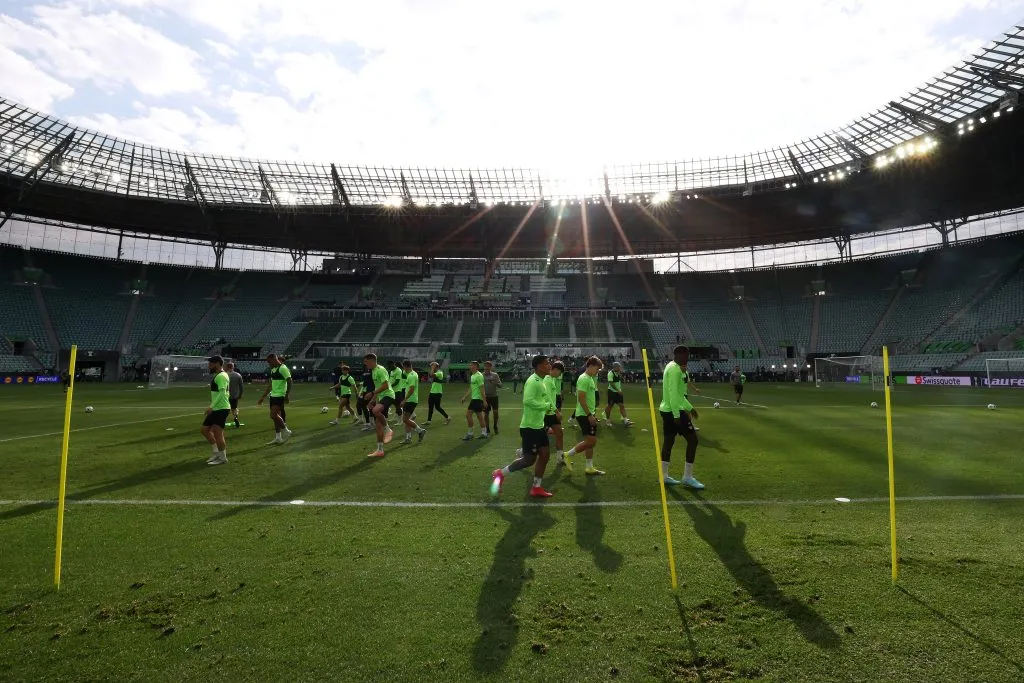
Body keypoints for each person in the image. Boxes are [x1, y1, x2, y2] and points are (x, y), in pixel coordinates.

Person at [491, 354, 555, 498]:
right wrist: (545, 406)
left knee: (545, 454)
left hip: (538, 426)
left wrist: (550, 407)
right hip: (530, 427)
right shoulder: (534, 381)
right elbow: (527, 401)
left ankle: (536, 487)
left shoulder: (542, 380)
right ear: (539, 366)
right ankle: (500, 474)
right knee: (528, 460)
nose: (549, 365)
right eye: (546, 363)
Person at [660, 345, 703, 489]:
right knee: (693, 440)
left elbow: (679, 395)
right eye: (685, 355)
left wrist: (690, 408)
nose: (687, 358)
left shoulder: (671, 367)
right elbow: (673, 394)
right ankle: (687, 477)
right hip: (674, 411)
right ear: (677, 355)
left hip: (668, 409)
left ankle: (664, 476)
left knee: (669, 441)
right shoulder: (675, 369)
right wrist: (677, 415)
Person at [562, 356, 605, 475]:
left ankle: (589, 467)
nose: (598, 371)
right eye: (597, 368)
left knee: (590, 441)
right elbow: (581, 398)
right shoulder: (584, 378)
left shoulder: (590, 378)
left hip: (587, 413)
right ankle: (567, 455)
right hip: (583, 414)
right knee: (591, 441)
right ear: (590, 366)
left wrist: (592, 414)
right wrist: (589, 415)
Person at [363, 353, 395, 457]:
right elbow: (378, 387)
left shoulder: (380, 370)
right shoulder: (373, 371)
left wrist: (372, 394)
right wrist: (373, 400)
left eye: (366, 362)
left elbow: (385, 386)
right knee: (378, 425)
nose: (365, 364)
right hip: (381, 397)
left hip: (388, 395)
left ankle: (389, 430)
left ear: (372, 360)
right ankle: (380, 450)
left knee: (375, 411)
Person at [256, 353, 292, 445]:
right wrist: (262, 397)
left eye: (269, 362)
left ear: (274, 360)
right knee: (275, 418)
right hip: (273, 396)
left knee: (273, 415)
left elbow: (290, 381)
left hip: (280, 395)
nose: (269, 364)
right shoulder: (273, 370)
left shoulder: (283, 368)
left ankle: (286, 431)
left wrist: (287, 395)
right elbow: (271, 385)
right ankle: (278, 437)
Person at [201, 355, 231, 466]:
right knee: (204, 430)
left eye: (211, 364)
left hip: (221, 408)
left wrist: (211, 406)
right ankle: (216, 452)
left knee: (218, 434)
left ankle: (223, 458)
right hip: (217, 408)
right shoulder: (219, 375)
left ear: (218, 363)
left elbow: (223, 393)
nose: (209, 366)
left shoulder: (221, 376)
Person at [397, 359, 427, 444]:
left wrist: (404, 400)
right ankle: (408, 438)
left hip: (411, 400)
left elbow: (411, 389)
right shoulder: (411, 374)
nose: (403, 369)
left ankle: (420, 430)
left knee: (405, 419)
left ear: (406, 366)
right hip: (411, 399)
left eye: (404, 367)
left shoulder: (412, 375)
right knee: (407, 419)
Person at [545, 361, 568, 470]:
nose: (560, 375)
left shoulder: (552, 379)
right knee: (538, 438)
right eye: (560, 373)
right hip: (546, 414)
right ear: (556, 370)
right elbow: (548, 398)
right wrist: (557, 411)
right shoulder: (547, 380)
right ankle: (523, 452)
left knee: (559, 433)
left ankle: (560, 457)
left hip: (552, 413)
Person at [460, 360, 488, 440]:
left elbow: (482, 389)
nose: (470, 367)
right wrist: (465, 397)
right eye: (470, 365)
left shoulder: (479, 376)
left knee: (468, 415)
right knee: (480, 416)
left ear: (477, 367)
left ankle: (470, 433)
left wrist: (484, 400)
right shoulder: (473, 376)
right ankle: (484, 433)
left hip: (477, 399)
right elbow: (471, 388)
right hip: (475, 399)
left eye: (472, 365)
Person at [603, 361, 633, 427]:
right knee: (610, 406)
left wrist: (622, 380)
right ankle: (607, 421)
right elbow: (611, 383)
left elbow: (618, 379)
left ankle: (625, 420)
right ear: (615, 367)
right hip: (612, 392)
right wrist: (618, 390)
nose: (620, 368)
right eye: (619, 367)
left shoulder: (618, 373)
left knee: (621, 405)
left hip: (618, 392)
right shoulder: (610, 373)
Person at [482, 360, 503, 435]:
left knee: (495, 412)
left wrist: (495, 383)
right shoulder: (481, 375)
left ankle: (495, 426)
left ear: (491, 367)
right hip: (485, 397)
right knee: (486, 413)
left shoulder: (495, 375)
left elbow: (500, 385)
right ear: (484, 367)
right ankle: (487, 428)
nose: (487, 367)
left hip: (494, 396)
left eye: (488, 366)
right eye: (485, 366)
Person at [225, 361, 245, 428]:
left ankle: (222, 420)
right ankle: (235, 418)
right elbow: (241, 386)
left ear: (227, 367)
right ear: (233, 367)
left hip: (226, 395)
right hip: (235, 395)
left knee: (225, 408)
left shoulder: (224, 375)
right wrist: (240, 394)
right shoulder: (238, 375)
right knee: (234, 408)